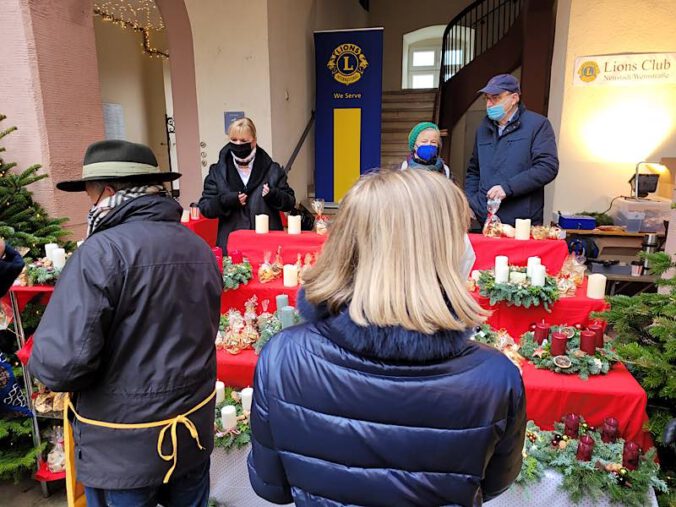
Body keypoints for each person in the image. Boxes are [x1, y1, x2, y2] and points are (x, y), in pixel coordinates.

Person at [247, 170, 526, 506]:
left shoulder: (284, 357)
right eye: (460, 233)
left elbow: (271, 486)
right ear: (442, 254)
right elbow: (495, 482)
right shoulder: (495, 376)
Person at [28, 140, 222, 507]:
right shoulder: (197, 247)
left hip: (123, 449)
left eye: (90, 197)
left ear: (109, 192)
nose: (91, 207)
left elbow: (61, 365)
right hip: (189, 436)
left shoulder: (100, 253)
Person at [465, 74, 559, 226]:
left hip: (521, 221)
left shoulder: (538, 125)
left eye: (495, 98)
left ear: (514, 98)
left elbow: (547, 167)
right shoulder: (483, 128)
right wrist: (471, 202)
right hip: (485, 219)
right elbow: (474, 170)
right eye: (487, 98)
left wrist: (507, 188)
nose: (489, 104)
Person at [198, 118, 296, 251]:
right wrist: (226, 200)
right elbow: (205, 207)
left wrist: (273, 194)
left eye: (243, 141)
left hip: (265, 247)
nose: (238, 144)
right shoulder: (217, 171)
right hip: (232, 246)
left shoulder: (273, 169)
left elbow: (290, 202)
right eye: (234, 140)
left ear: (254, 141)